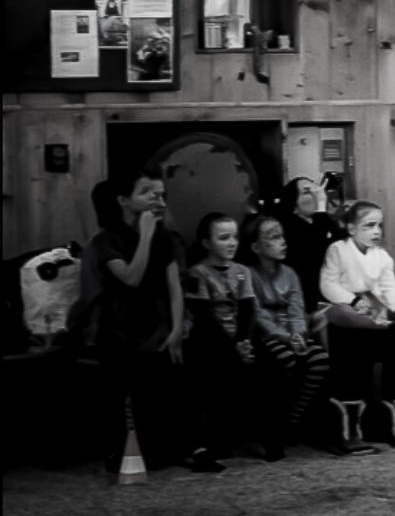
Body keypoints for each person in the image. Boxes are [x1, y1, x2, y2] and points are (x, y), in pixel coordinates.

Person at [73, 169, 187, 473]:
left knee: (162, 381)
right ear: (124, 200)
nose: (156, 199)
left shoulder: (166, 237)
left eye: (159, 194)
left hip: (155, 322)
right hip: (117, 324)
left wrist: (177, 329)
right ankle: (120, 449)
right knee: (121, 382)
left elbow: (174, 286)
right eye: (146, 192)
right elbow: (131, 278)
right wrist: (145, 236)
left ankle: (168, 447)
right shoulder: (107, 240)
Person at [320, 200, 395, 450]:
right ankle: (349, 433)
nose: (376, 231)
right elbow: (328, 283)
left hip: (375, 310)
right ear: (351, 228)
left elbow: (389, 287)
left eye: (379, 226)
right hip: (348, 310)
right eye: (369, 226)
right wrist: (352, 300)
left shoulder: (382, 257)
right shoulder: (338, 250)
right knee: (350, 348)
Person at [182, 212, 268, 470]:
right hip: (209, 338)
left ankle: (269, 436)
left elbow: (248, 309)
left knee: (268, 365)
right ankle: (209, 440)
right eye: (223, 238)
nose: (232, 243)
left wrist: (243, 341)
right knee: (214, 373)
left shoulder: (242, 272)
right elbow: (203, 317)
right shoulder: (198, 273)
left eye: (234, 237)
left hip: (239, 338)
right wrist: (234, 347)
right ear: (206, 243)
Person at [244, 214, 333, 450]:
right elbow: (257, 314)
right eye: (273, 238)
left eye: (282, 236)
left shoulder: (289, 274)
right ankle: (275, 420)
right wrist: (284, 337)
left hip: (293, 333)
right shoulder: (249, 275)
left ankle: (294, 420)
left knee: (319, 359)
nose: (282, 242)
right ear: (256, 247)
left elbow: (296, 308)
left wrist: (298, 334)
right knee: (285, 360)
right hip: (265, 336)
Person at [273, 176, 340, 315]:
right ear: (294, 205)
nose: (317, 193)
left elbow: (339, 239)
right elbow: (315, 247)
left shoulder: (321, 221)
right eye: (307, 191)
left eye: (316, 189)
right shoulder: (289, 226)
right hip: (303, 300)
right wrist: (321, 205)